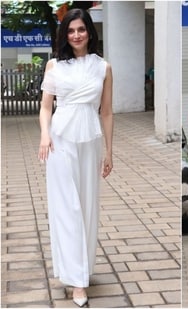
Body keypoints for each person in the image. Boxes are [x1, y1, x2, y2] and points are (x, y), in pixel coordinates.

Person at [37, 8, 113, 307]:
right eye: (71, 30)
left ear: (90, 32)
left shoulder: (103, 67)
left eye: (81, 29)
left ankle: (82, 267)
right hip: (60, 140)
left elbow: (106, 112)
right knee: (66, 207)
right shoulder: (54, 66)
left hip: (90, 139)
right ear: (64, 34)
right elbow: (45, 107)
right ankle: (78, 282)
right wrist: (45, 134)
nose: (76, 35)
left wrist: (109, 150)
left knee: (86, 206)